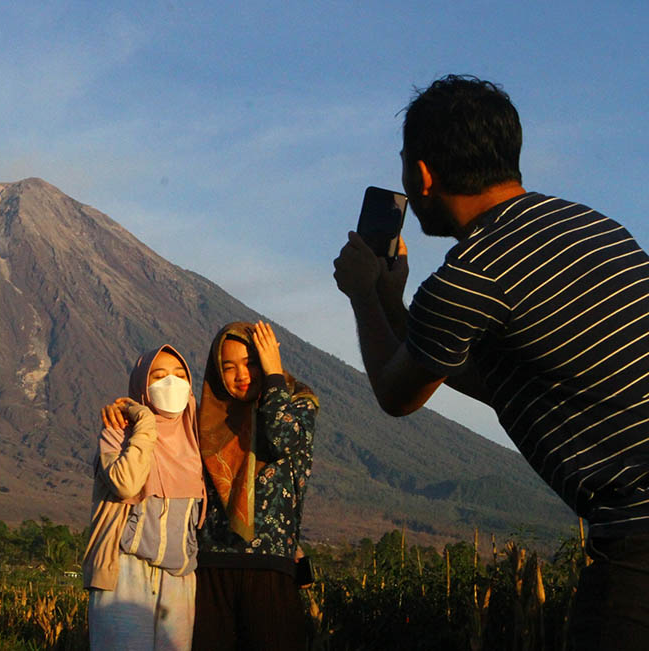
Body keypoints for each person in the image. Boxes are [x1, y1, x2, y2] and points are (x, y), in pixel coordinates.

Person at [332, 74, 649, 649]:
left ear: (422, 174)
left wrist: (362, 295)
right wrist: (393, 305)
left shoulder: (471, 274)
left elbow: (396, 394)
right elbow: (503, 379)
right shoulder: (597, 228)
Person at [192, 321, 319, 650]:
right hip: (211, 566)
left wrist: (274, 376)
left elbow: (281, 439)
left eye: (250, 362)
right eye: (228, 367)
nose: (241, 374)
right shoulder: (208, 416)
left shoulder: (298, 403)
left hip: (270, 566)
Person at [84, 345, 207, 650]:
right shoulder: (118, 431)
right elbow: (126, 484)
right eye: (159, 375)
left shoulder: (198, 437)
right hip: (125, 573)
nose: (172, 383)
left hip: (179, 576)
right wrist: (145, 421)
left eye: (180, 375)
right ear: (142, 384)